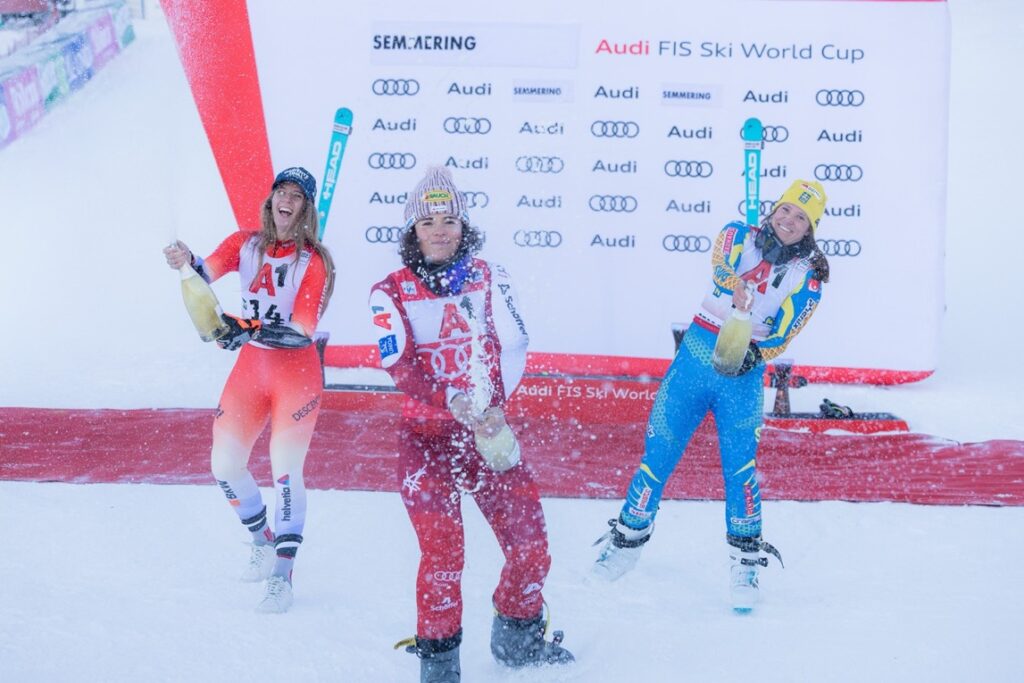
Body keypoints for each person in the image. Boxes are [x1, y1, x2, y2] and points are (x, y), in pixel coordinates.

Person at [369, 167, 573, 682]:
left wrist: (496, 404)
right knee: (443, 555)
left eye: (450, 220)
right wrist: (451, 398)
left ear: (464, 227)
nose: (440, 231)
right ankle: (439, 667)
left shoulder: (490, 275)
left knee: (531, 546)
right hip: (426, 440)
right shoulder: (390, 290)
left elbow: (514, 344)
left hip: (485, 433)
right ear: (412, 231)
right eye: (428, 222)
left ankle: (518, 639)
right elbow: (399, 365)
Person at [592, 179, 830, 612]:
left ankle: (745, 563)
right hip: (696, 357)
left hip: (741, 370)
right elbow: (720, 266)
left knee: (740, 469)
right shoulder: (738, 234)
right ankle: (626, 541)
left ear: (810, 229)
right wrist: (735, 283)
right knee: (658, 452)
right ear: (774, 209)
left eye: (801, 217)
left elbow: (785, 333)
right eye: (786, 209)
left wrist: (754, 354)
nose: (789, 220)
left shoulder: (808, 277)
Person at [163, 167, 335, 613]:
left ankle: (283, 575)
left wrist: (248, 327)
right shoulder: (246, 244)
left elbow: (301, 332)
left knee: (286, 471)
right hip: (251, 371)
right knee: (223, 464)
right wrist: (185, 259)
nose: (286, 201)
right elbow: (204, 273)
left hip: (295, 376)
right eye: (281, 192)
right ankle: (262, 540)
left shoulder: (314, 262)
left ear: (306, 208)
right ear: (270, 199)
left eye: (296, 196)